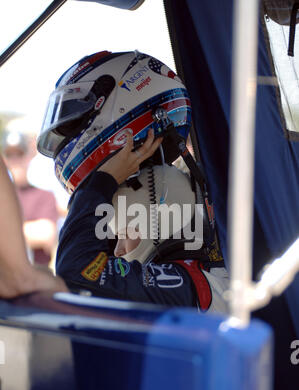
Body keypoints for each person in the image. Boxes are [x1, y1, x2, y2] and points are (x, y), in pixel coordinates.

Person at [36, 50, 229, 312]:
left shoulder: (191, 285)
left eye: (124, 233)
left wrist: (102, 182)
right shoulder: (192, 280)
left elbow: (75, 275)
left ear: (159, 217)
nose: (116, 252)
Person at [2, 119, 59, 266]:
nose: (15, 160)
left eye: (19, 154)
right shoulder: (3, 196)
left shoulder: (44, 196)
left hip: (36, 276)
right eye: (10, 155)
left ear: (28, 157)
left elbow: (45, 234)